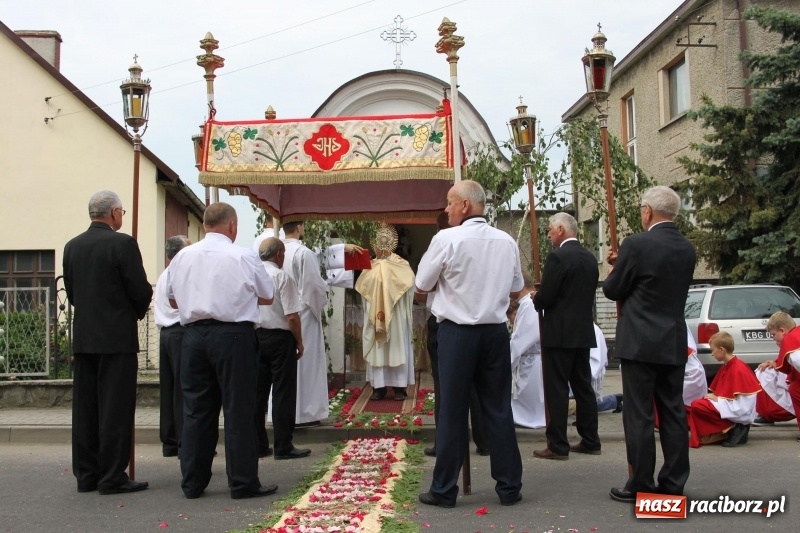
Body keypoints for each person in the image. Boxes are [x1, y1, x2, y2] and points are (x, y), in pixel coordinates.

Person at [415, 180, 524, 508]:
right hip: (493, 333)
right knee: (498, 409)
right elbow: (517, 287)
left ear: (464, 205)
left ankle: (444, 489)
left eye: (449, 203)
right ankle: (509, 486)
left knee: (452, 410)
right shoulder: (506, 241)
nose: (446, 209)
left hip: (458, 333)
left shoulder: (446, 238)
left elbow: (421, 284)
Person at [167, 202, 277, 500]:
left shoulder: (182, 257)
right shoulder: (242, 255)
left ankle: (192, 482)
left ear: (204, 225)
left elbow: (173, 299)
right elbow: (268, 295)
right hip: (233, 336)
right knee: (238, 409)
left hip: (192, 337)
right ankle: (242, 482)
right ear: (232, 226)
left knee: (196, 411)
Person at [603, 185, 696, 503]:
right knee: (672, 411)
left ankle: (641, 480)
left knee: (640, 414)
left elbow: (614, 289)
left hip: (640, 341)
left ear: (647, 211)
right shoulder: (686, 247)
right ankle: (673, 481)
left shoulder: (637, 244)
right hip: (671, 340)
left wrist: (617, 264)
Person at [63, 190, 153, 495]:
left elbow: (73, 293)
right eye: (122, 212)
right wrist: (134, 312)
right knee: (115, 410)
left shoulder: (72, 246)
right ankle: (112, 476)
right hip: (117, 340)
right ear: (114, 213)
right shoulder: (123, 244)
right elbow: (140, 290)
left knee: (86, 410)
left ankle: (86, 474)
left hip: (85, 338)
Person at [419, 213, 489, 457]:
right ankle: (484, 439)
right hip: (484, 323)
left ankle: (446, 444)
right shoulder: (488, 243)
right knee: (477, 385)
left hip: (448, 323)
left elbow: (421, 286)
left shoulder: (444, 241)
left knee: (446, 388)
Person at [532, 212, 601, 460]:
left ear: (561, 229)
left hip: (559, 333)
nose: (548, 234)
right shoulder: (590, 258)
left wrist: (535, 299)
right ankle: (591, 439)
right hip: (582, 331)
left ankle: (558, 444)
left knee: (557, 389)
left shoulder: (558, 257)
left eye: (550, 230)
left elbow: (547, 296)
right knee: (583, 387)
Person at [255, 237, 310, 460]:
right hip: (279, 338)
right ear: (278, 255)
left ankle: (258, 443)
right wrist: (299, 341)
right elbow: (292, 316)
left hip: (256, 336)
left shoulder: (253, 275)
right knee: (282, 393)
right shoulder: (281, 276)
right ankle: (282, 445)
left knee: (257, 394)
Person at [356, 224, 415, 401]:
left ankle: (398, 388)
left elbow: (411, 285)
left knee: (393, 346)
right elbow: (362, 289)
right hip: (378, 316)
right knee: (382, 348)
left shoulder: (402, 265)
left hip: (395, 316)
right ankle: (379, 388)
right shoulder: (370, 266)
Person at [686, 332, 760, 447]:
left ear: (721, 350)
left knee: (697, 405)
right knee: (700, 403)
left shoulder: (737, 368)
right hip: (732, 404)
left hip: (739, 408)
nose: (712, 353)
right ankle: (732, 429)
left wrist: (717, 398)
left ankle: (733, 427)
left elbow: (740, 400)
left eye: (713, 350)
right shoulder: (729, 365)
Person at [155, 235, 191, 458]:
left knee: (169, 388)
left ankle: (169, 439)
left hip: (166, 334)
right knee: (182, 388)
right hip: (178, 331)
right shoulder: (178, 273)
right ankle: (182, 440)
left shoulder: (163, 275)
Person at [754, 312, 800, 439]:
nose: (774, 339)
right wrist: (775, 362)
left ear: (782, 330)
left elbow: (797, 361)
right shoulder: (796, 333)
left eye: (774, 335)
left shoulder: (789, 339)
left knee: (795, 389)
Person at [509, 272, 545, 429]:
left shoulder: (529, 303)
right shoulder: (525, 303)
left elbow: (522, 338)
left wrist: (506, 361)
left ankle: (532, 419)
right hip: (529, 359)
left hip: (531, 360)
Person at [590, 324, 623, 414]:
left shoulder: (593, 329)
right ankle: (614, 400)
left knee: (581, 404)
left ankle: (613, 400)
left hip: (585, 374)